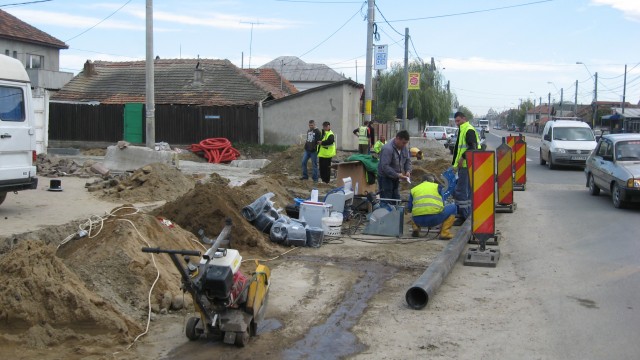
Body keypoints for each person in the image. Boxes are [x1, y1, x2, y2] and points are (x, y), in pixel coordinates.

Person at [451, 111, 481, 225]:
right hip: (464, 166)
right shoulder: (463, 129)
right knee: (465, 192)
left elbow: (472, 147)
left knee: (461, 191)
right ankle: (465, 214)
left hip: (466, 166)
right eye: (455, 121)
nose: (456, 123)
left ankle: (464, 216)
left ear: (464, 118)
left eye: (458, 120)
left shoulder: (468, 129)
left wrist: (463, 158)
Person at [407, 174, 457, 239]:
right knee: (453, 207)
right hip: (434, 219)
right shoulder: (437, 187)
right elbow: (442, 204)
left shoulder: (414, 189)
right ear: (432, 181)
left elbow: (410, 208)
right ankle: (445, 233)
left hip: (418, 220)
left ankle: (415, 228)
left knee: (415, 210)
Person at [377, 130, 411, 200]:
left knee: (396, 198)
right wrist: (397, 175)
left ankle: (395, 209)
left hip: (395, 177)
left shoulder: (404, 148)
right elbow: (385, 166)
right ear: (398, 138)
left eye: (406, 143)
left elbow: (407, 160)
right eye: (403, 143)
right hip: (385, 178)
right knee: (387, 199)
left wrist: (408, 170)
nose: (404, 145)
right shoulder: (387, 149)